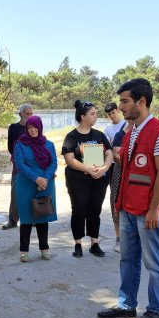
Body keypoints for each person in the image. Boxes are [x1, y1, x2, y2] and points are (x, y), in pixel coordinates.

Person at [97, 78, 159, 318]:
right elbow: (131, 170)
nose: (120, 106)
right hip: (129, 207)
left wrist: (155, 208)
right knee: (128, 259)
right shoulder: (132, 132)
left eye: (124, 101)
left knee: (154, 262)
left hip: (148, 210)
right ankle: (126, 303)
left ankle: (156, 309)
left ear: (141, 102)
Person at [62, 100, 114, 258]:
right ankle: (78, 244)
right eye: (93, 114)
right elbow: (69, 159)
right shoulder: (71, 137)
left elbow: (109, 153)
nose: (96, 116)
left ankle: (94, 243)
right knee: (79, 210)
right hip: (78, 180)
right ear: (83, 117)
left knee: (95, 211)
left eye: (96, 114)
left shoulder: (99, 135)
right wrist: (88, 169)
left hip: (98, 179)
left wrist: (104, 168)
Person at [13, 115, 58, 261]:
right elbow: (20, 164)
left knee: (42, 215)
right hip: (26, 183)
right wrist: (36, 178)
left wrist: (44, 179)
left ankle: (44, 248)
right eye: (30, 128)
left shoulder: (49, 144)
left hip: (46, 183)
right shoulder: (20, 144)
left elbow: (53, 164)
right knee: (26, 217)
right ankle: (23, 250)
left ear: (40, 127)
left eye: (35, 127)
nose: (32, 130)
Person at [3, 104, 33, 230]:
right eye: (27, 113)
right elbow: (11, 147)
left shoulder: (34, 127)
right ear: (20, 114)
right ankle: (13, 220)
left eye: (31, 114)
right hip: (18, 165)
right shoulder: (13, 128)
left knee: (32, 192)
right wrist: (19, 159)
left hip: (32, 165)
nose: (29, 116)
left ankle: (33, 219)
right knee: (15, 192)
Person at [109, 119, 133, 253]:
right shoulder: (120, 135)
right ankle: (119, 238)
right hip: (120, 172)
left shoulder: (143, 132)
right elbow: (117, 156)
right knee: (116, 201)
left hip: (138, 175)